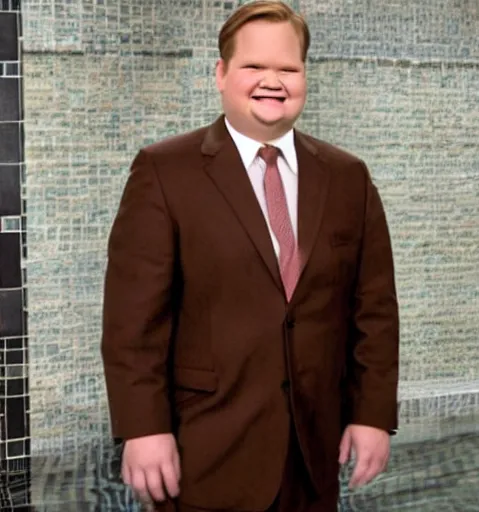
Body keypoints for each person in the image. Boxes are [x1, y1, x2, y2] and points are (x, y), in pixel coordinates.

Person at [101, 1, 399, 511]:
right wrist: (143, 428)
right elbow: (133, 321)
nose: (273, 80)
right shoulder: (164, 171)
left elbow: (374, 311)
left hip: (313, 454)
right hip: (205, 452)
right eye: (254, 67)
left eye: (288, 68)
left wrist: (371, 415)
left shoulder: (349, 177)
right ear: (220, 74)